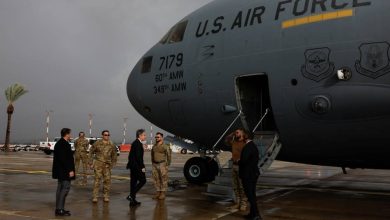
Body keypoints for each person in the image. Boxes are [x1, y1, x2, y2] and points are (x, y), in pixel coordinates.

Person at [89, 130, 117, 203]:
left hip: (107, 165)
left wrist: (113, 163)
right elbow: (91, 151)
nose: (107, 136)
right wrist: (90, 162)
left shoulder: (111, 144)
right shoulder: (97, 143)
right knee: (97, 181)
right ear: (102, 135)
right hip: (98, 164)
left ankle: (106, 196)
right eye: (105, 135)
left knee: (107, 181)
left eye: (108, 135)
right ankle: (95, 197)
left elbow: (114, 154)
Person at [52, 128, 75, 216]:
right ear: (67, 134)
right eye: (70, 133)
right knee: (65, 189)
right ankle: (60, 209)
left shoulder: (60, 143)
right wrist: (70, 170)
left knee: (60, 189)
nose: (70, 135)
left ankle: (59, 208)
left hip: (60, 171)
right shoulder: (63, 144)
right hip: (64, 171)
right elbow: (64, 159)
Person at [239, 130, 261, 220]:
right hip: (253, 173)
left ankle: (256, 215)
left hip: (248, 174)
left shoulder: (248, 147)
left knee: (250, 195)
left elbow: (244, 160)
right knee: (252, 194)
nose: (241, 137)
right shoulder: (253, 146)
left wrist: (238, 161)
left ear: (246, 136)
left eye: (243, 135)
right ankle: (253, 214)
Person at [225, 128, 248, 211]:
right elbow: (227, 140)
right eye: (236, 132)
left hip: (241, 166)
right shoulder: (234, 142)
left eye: (238, 132)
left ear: (242, 133)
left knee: (242, 186)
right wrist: (232, 134)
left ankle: (243, 204)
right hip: (234, 166)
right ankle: (237, 203)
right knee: (235, 186)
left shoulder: (245, 143)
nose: (236, 133)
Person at [126, 129, 147, 206]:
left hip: (133, 166)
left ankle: (132, 201)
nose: (145, 136)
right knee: (143, 180)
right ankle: (131, 196)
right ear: (140, 135)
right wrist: (142, 167)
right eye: (144, 135)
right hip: (137, 167)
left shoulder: (136, 143)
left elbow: (131, 156)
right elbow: (138, 157)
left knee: (133, 183)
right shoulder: (137, 144)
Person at [151, 132, 171, 200]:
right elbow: (152, 155)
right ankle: (158, 192)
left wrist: (167, 165)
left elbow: (169, 156)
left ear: (162, 138)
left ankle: (163, 193)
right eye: (156, 137)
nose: (157, 138)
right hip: (155, 164)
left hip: (162, 164)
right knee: (156, 179)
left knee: (163, 179)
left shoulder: (165, 146)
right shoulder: (154, 146)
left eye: (158, 137)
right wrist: (152, 163)